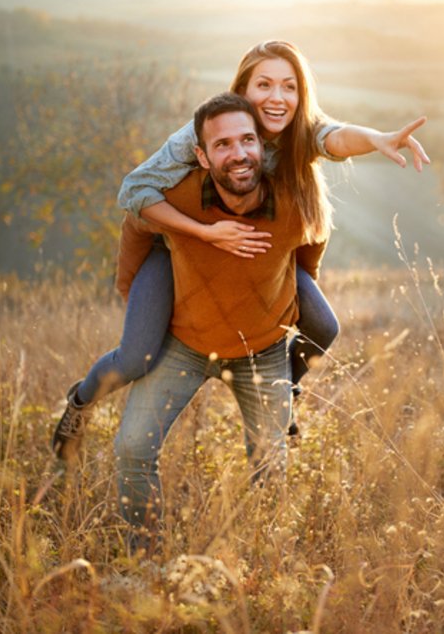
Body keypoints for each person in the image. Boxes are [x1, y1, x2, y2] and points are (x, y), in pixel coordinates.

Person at [51, 40, 429, 460]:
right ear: (243, 91)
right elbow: (133, 192)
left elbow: (334, 138)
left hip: (258, 253)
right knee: (136, 357)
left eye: (289, 86)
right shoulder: (206, 132)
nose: (277, 97)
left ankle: (285, 395)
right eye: (264, 84)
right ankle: (79, 403)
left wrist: (377, 138)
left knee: (322, 325)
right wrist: (204, 232)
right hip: (177, 245)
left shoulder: (297, 129)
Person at [114, 92, 320, 551]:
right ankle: (142, 560)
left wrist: (295, 295)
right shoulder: (179, 196)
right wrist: (130, 291)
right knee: (132, 448)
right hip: (183, 344)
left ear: (262, 147)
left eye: (248, 140)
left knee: (273, 462)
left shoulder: (291, 198)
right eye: (223, 145)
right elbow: (135, 223)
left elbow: (311, 243)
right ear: (202, 157)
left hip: (262, 350)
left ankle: (267, 566)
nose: (240, 153)